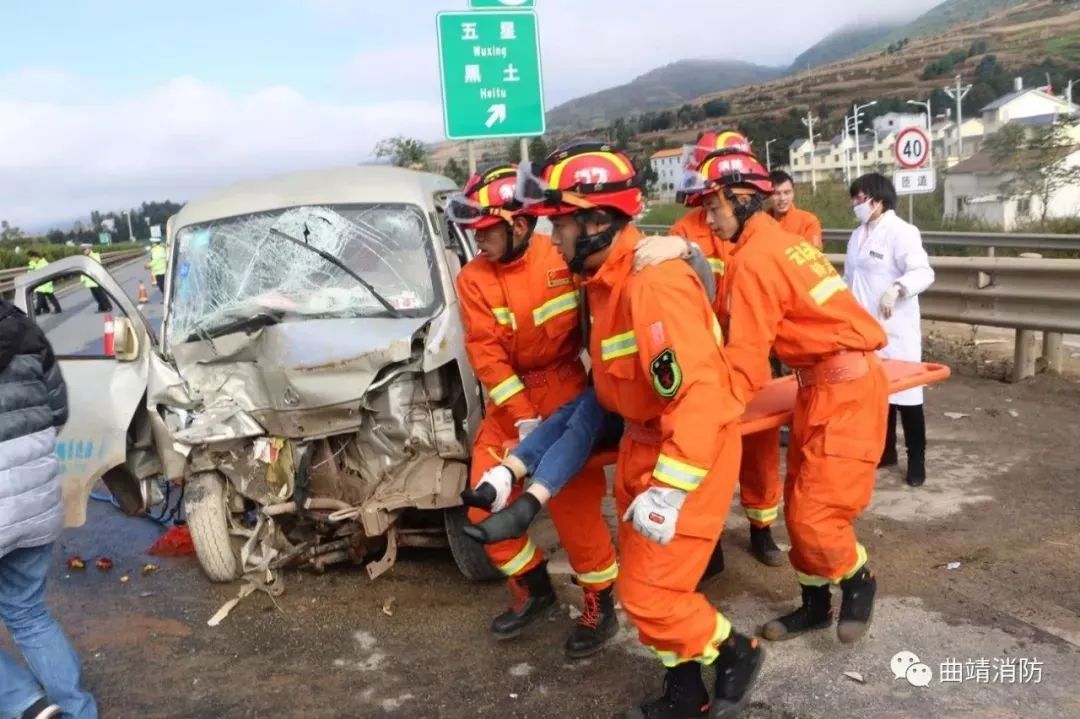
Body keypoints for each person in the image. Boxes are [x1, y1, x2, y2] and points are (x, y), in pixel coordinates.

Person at [519, 141, 763, 719]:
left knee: (647, 596)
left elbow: (700, 393)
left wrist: (671, 488)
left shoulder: (650, 285)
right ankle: (685, 696)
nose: (553, 240)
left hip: (684, 454)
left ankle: (734, 650)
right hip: (642, 446)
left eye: (560, 225)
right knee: (655, 583)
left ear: (598, 221)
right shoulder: (607, 282)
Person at [685, 148, 888, 646]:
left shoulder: (756, 259)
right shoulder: (775, 243)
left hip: (844, 390)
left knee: (816, 516)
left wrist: (709, 414)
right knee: (799, 503)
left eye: (715, 207)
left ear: (744, 200)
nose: (709, 218)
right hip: (822, 386)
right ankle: (815, 606)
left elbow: (748, 359)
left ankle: (858, 579)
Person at [448, 164, 620, 659]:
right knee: (485, 506)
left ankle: (598, 605)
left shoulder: (563, 254)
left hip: (567, 392)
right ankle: (535, 590)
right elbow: (487, 353)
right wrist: (522, 416)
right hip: (509, 403)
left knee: (576, 514)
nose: (477, 240)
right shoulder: (473, 279)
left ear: (518, 225)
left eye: (484, 230)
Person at [663, 132, 786, 569]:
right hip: (704, 360)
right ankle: (707, 540)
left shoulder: (761, 226)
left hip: (752, 350)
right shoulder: (683, 232)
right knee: (705, 450)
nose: (714, 213)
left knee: (761, 448)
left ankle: (761, 527)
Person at [0, 299, 99, 719]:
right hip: (36, 500)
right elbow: (57, 410)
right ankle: (77, 710)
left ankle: (27, 705)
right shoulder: (25, 330)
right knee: (28, 612)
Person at [845, 173, 935, 487]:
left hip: (896, 330)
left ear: (878, 200)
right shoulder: (857, 236)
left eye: (860, 198)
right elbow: (850, 281)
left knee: (908, 398)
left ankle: (917, 461)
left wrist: (897, 288)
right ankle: (885, 452)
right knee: (877, 396)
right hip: (865, 332)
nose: (855, 204)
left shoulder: (901, 232)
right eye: (853, 198)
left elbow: (923, 271)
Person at [767, 171, 823, 250]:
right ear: (768, 195)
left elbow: (814, 252)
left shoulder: (808, 221)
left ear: (793, 193)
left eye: (787, 193)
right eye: (777, 193)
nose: (782, 198)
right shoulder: (760, 222)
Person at [79, 245, 112, 313]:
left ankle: (108, 306)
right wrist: (82, 279)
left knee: (101, 294)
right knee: (96, 296)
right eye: (83, 250)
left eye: (85, 249)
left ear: (89, 249)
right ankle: (101, 308)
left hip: (96, 279)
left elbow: (96, 266)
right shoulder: (84, 258)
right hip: (89, 281)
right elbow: (83, 268)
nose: (84, 251)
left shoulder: (95, 255)